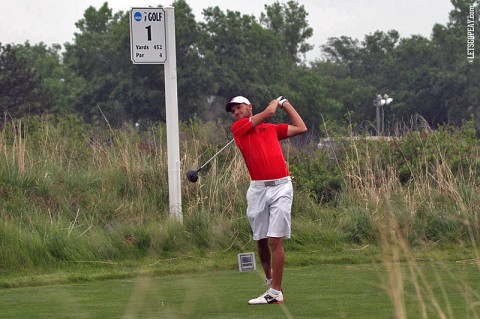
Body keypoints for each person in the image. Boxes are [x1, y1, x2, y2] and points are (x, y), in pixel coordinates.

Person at [226, 95, 308, 305]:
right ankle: (270, 279)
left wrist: (286, 102)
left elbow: (301, 127)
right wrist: (275, 103)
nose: (235, 112)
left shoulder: (271, 129)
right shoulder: (239, 128)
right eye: (233, 110)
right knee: (261, 240)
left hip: (281, 187)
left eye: (238, 107)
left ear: (249, 107)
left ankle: (275, 292)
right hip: (257, 190)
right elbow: (269, 112)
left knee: (275, 239)